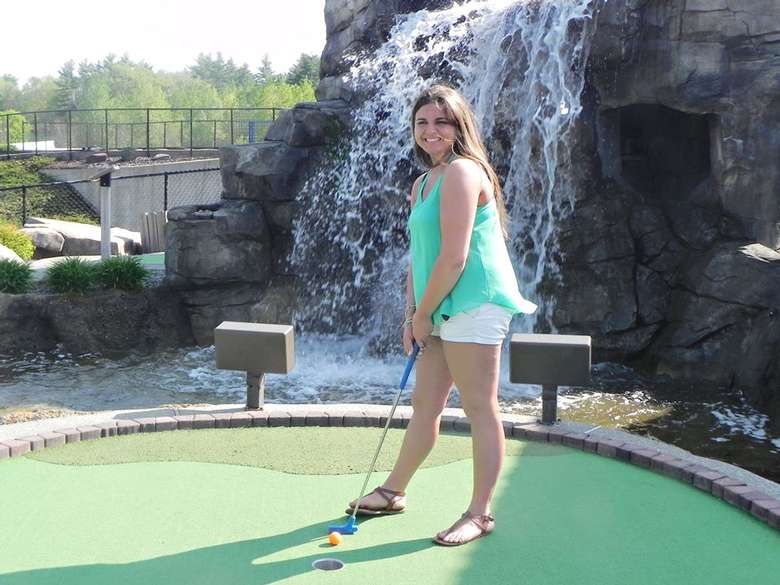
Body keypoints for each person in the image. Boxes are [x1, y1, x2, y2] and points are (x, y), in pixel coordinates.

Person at [347, 84, 538, 546]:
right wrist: (412, 312)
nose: (431, 131)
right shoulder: (424, 182)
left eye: (441, 122)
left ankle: (480, 513)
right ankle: (393, 491)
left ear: (458, 127)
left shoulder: (464, 172)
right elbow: (422, 256)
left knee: (479, 408)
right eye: (422, 123)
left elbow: (454, 257)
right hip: (439, 304)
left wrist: (424, 314)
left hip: (475, 301)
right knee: (426, 405)